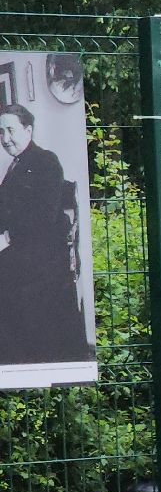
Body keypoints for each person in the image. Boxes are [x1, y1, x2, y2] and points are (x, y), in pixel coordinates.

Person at [0, 103, 90, 364]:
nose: (5, 139)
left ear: (28, 130)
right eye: (1, 132)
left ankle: (18, 358)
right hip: (26, 249)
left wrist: (6, 238)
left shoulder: (45, 161)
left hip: (46, 258)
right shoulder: (16, 166)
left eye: (11, 130)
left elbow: (42, 219)